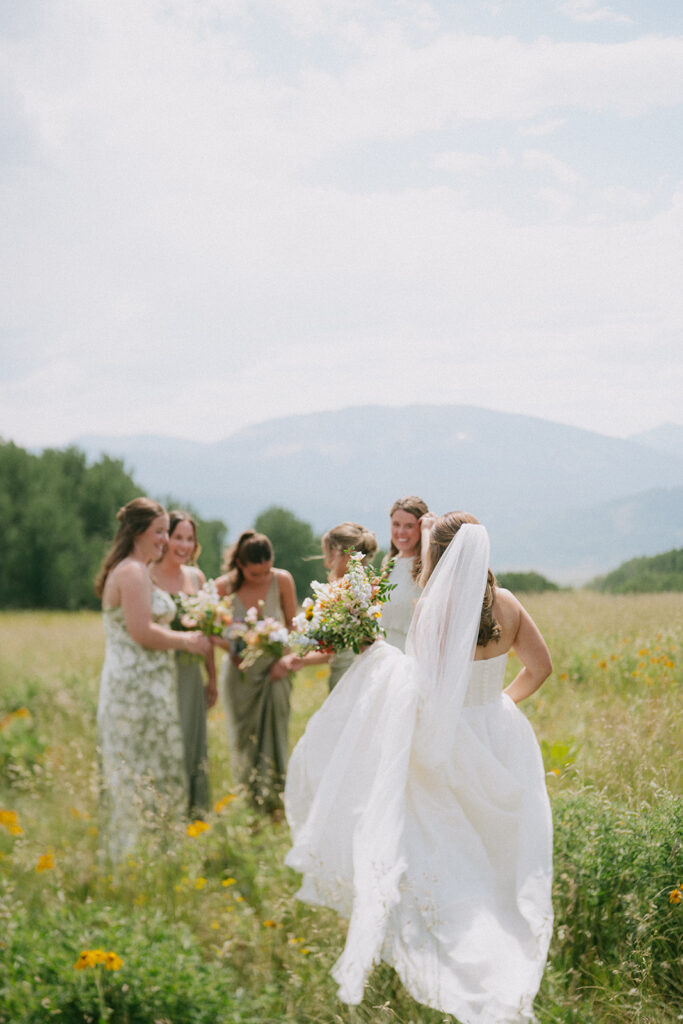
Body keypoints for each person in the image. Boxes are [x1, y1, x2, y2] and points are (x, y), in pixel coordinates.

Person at [285, 511, 553, 1022]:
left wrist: (374, 653)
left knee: (440, 842)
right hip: (498, 737)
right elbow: (540, 668)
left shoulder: (433, 608)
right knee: (496, 848)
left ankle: (453, 937)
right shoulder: (511, 605)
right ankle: (499, 924)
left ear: (439, 556)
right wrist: (499, 706)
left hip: (447, 738)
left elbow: (423, 684)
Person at [94, 498, 210, 863]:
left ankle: (155, 850)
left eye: (166, 532)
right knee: (136, 769)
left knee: (154, 768)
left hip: (149, 687)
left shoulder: (136, 569)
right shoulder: (130, 572)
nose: (164, 539)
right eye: (159, 532)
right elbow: (142, 632)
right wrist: (187, 641)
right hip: (134, 689)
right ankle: (133, 855)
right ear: (138, 532)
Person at [213, 530, 298, 816]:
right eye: (254, 574)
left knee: (276, 732)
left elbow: (293, 627)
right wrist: (233, 650)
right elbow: (212, 632)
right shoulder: (223, 588)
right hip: (240, 674)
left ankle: (277, 798)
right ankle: (250, 799)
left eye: (266, 571)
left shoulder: (282, 580)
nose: (262, 578)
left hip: (276, 670)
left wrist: (283, 660)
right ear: (239, 564)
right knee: (243, 736)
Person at [150, 510, 217, 820]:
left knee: (192, 740)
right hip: (160, 671)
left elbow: (207, 634)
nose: (184, 545)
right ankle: (161, 810)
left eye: (190, 539)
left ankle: (193, 812)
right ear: (165, 538)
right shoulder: (147, 575)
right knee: (165, 740)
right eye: (178, 537)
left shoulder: (196, 577)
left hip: (191, 673)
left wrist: (212, 678)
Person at [300, 522, 379, 692]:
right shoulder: (370, 585)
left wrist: (299, 660)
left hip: (349, 677)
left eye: (326, 555)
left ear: (336, 552)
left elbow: (339, 646)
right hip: (358, 672)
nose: (326, 564)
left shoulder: (348, 590)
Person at [381, 496, 429, 651]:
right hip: (384, 652)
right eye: (396, 524)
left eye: (409, 526)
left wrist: (429, 530)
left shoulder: (427, 566)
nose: (401, 532)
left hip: (410, 655)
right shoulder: (389, 562)